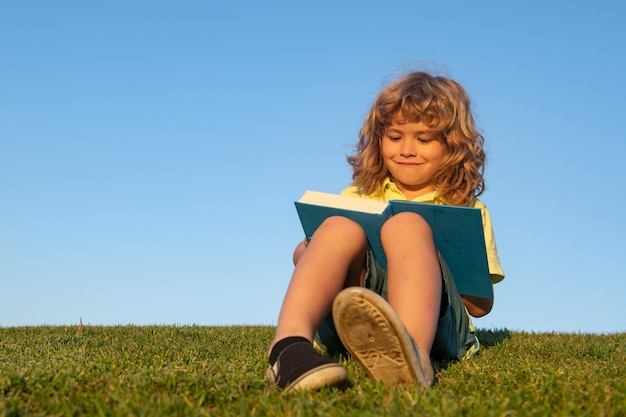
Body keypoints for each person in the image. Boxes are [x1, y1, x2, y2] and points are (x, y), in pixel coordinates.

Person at [265, 71, 505, 391]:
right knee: (336, 227)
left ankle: (411, 357)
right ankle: (288, 350)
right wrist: (311, 254)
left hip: (439, 329)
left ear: (453, 145)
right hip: (351, 319)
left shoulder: (467, 208)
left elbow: (479, 307)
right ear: (379, 140)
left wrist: (437, 263)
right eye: (394, 137)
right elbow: (308, 258)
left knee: (407, 224)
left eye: (423, 139)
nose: (406, 149)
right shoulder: (357, 197)